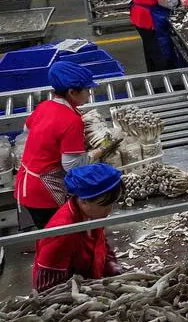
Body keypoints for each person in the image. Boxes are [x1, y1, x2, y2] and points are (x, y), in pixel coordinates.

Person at [15, 62, 117, 229]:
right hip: (44, 191)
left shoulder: (45, 106)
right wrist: (102, 148)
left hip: (26, 183)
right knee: (58, 238)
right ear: (72, 92)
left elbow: (27, 129)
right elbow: (72, 165)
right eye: (87, 90)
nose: (89, 94)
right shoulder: (71, 121)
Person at [31, 163, 124, 292]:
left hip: (92, 285)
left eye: (112, 203)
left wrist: (111, 265)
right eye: (105, 204)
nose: (109, 210)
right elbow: (48, 289)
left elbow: (100, 244)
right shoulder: (62, 233)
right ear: (84, 200)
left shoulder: (91, 215)